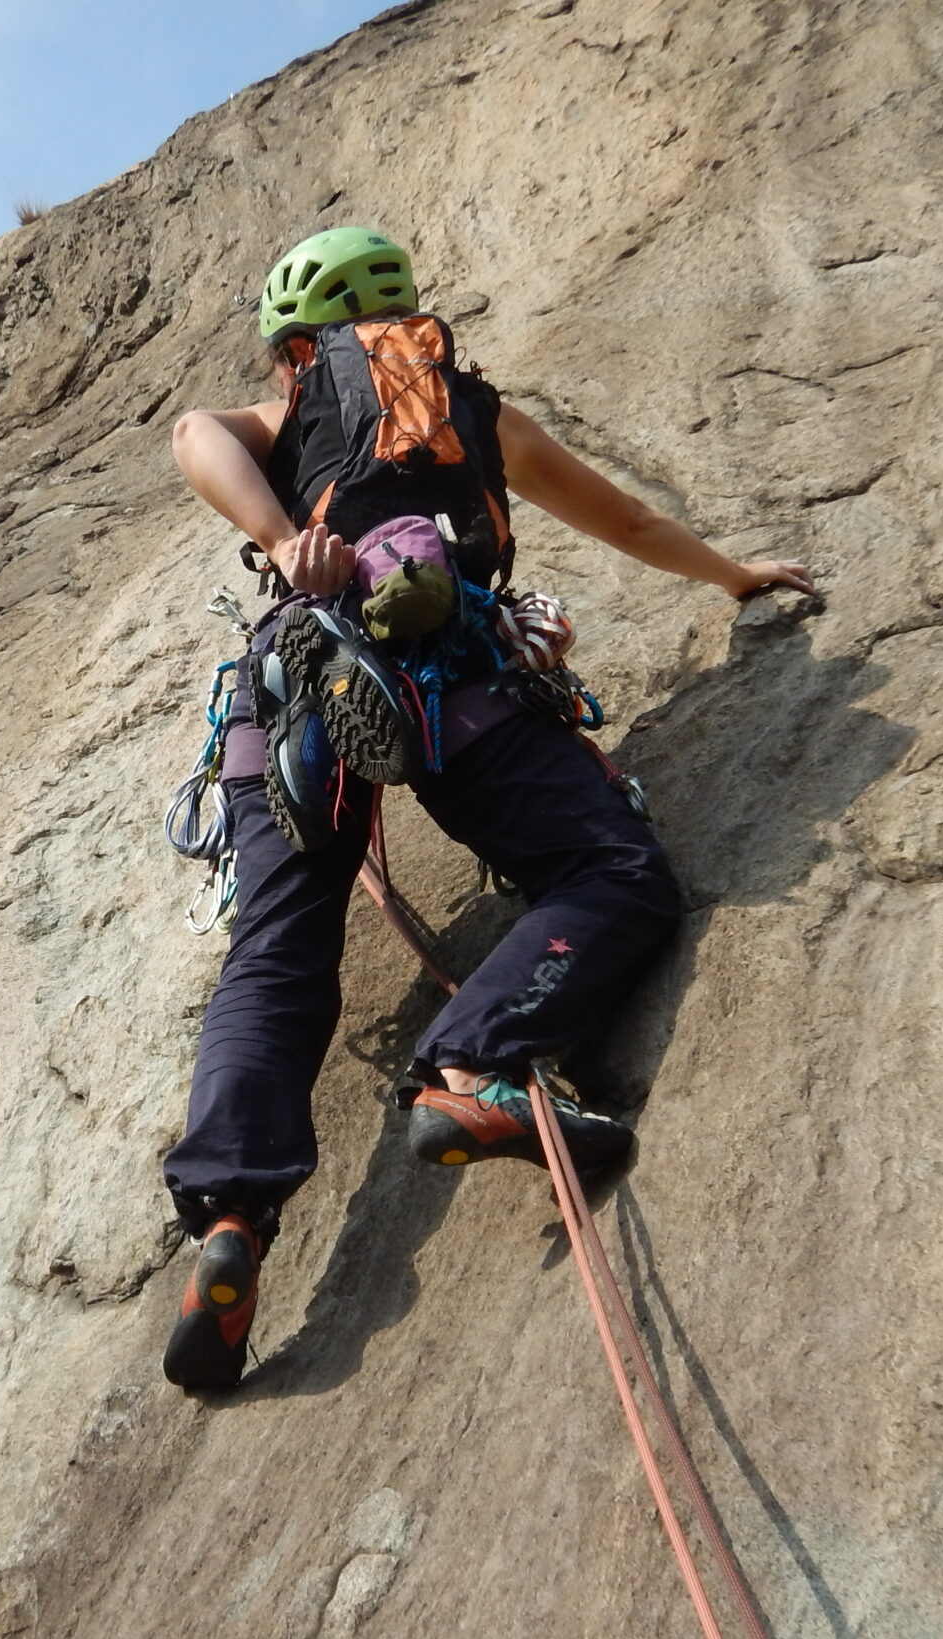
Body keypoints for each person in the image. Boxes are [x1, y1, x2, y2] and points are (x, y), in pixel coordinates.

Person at [159, 227, 813, 1391]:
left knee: (278, 950)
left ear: (289, 347)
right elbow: (628, 524)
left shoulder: (294, 404)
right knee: (609, 875)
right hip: (448, 677)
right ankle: (471, 1071)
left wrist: (279, 540)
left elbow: (191, 433)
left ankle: (232, 1220)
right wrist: (735, 575)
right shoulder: (467, 410)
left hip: (297, 679)